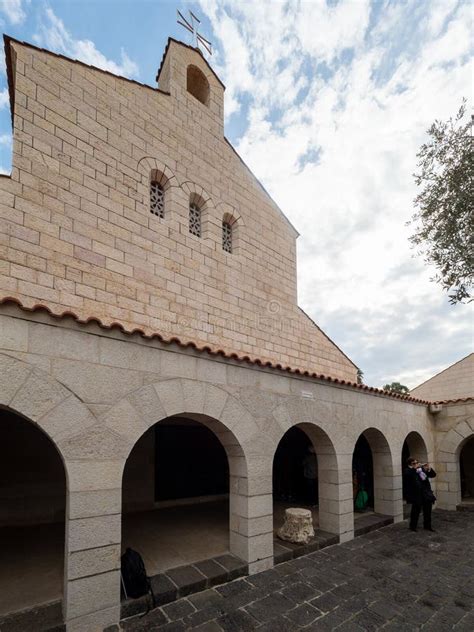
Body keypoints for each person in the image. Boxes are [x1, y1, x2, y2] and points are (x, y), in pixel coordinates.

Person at [403, 457, 436, 532]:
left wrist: (428, 468)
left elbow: (433, 475)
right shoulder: (408, 470)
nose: (416, 464)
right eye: (414, 463)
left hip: (426, 494)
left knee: (428, 511)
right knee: (415, 512)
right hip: (416, 495)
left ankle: (427, 526)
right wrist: (415, 469)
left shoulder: (422, 470)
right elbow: (408, 475)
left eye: (417, 462)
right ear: (410, 464)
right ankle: (413, 526)